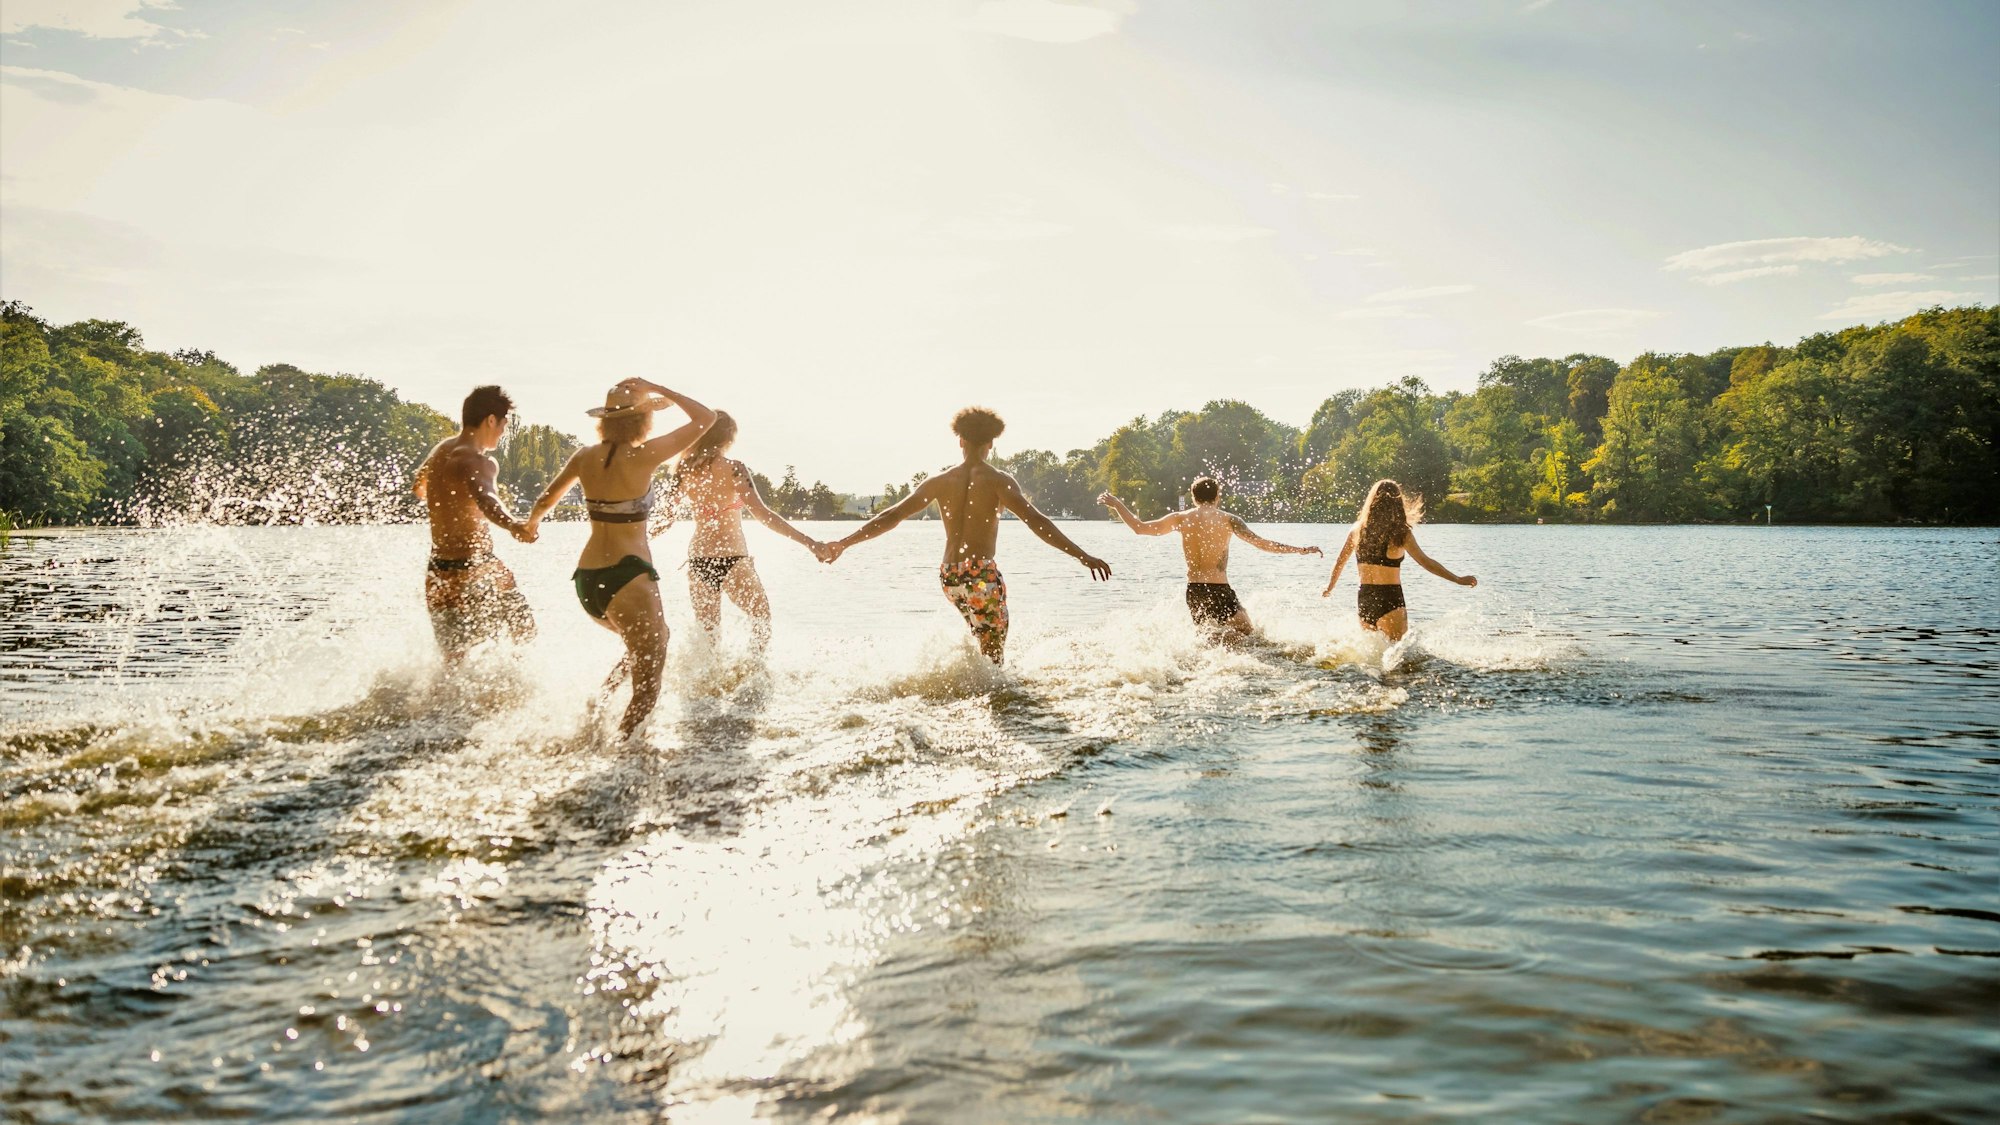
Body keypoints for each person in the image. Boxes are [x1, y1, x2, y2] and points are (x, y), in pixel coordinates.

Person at [822, 407, 1111, 665]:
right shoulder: (999, 481)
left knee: (983, 639)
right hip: (980, 574)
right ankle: (994, 704)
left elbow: (891, 516)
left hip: (949, 577)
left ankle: (970, 692)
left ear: (960, 440)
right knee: (994, 654)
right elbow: (1037, 521)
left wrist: (844, 543)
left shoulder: (939, 481)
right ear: (991, 444)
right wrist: (1082, 556)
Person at [525, 379, 715, 737]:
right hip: (629, 577)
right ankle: (623, 758)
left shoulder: (583, 457)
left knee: (647, 642)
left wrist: (530, 527)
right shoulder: (645, 456)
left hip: (587, 580)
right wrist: (660, 389)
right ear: (642, 422)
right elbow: (706, 417)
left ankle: (596, 715)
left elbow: (545, 502)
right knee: (648, 688)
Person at [655, 411, 829, 650]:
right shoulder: (734, 469)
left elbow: (665, 517)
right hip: (733, 557)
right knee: (761, 616)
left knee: (709, 636)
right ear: (726, 438)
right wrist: (809, 542)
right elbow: (764, 515)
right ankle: (754, 671)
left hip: (699, 559)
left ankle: (707, 684)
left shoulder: (684, 469)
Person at [1098, 476, 1321, 641]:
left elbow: (1140, 528)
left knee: (1209, 639)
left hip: (1194, 591)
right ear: (1217, 496)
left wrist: (1117, 504)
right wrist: (1300, 549)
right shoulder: (1229, 519)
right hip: (1219, 590)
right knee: (1250, 636)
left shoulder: (1180, 519)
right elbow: (1261, 543)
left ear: (1194, 498)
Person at [412, 385, 537, 665]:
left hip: (438, 571)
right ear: (491, 420)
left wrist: (448, 503)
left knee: (454, 660)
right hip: (476, 568)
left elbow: (418, 487)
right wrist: (515, 524)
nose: (503, 432)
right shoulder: (479, 461)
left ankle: (441, 707)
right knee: (524, 630)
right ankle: (514, 697)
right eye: (504, 424)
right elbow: (487, 499)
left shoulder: (442, 450)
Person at [1321, 479, 1476, 641]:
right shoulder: (1401, 534)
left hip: (1365, 597)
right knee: (1398, 654)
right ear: (1397, 503)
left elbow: (1340, 561)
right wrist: (1457, 579)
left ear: (1372, 501)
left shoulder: (1357, 529)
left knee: (1371, 654)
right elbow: (1426, 562)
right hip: (1389, 597)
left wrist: (1330, 587)